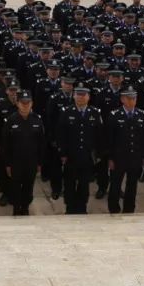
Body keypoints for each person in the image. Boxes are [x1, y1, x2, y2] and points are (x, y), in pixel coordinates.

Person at [55, 86, 102, 214]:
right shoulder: (66, 111)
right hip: (71, 155)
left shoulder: (95, 112)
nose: (81, 97)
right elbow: (61, 134)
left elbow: (98, 135)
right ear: (74, 96)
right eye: (78, 94)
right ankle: (70, 208)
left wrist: (97, 154)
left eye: (84, 95)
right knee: (69, 184)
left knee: (84, 184)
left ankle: (82, 208)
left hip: (87, 156)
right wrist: (62, 153)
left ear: (88, 97)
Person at [105, 89, 144, 214]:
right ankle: (113, 208)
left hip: (135, 157)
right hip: (118, 157)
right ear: (122, 99)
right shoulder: (114, 115)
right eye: (128, 98)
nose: (131, 101)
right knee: (115, 185)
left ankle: (129, 209)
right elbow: (110, 139)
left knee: (132, 186)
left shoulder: (141, 115)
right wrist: (110, 158)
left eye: (133, 98)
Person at [2, 90, 45, 216]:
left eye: (28, 102)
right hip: (16, 161)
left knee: (28, 186)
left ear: (32, 103)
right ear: (17, 103)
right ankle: (16, 208)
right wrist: (7, 163)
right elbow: (5, 144)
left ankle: (25, 208)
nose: (25, 105)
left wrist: (40, 162)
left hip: (31, 161)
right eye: (22, 103)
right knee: (15, 186)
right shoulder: (11, 120)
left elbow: (42, 143)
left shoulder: (37, 120)